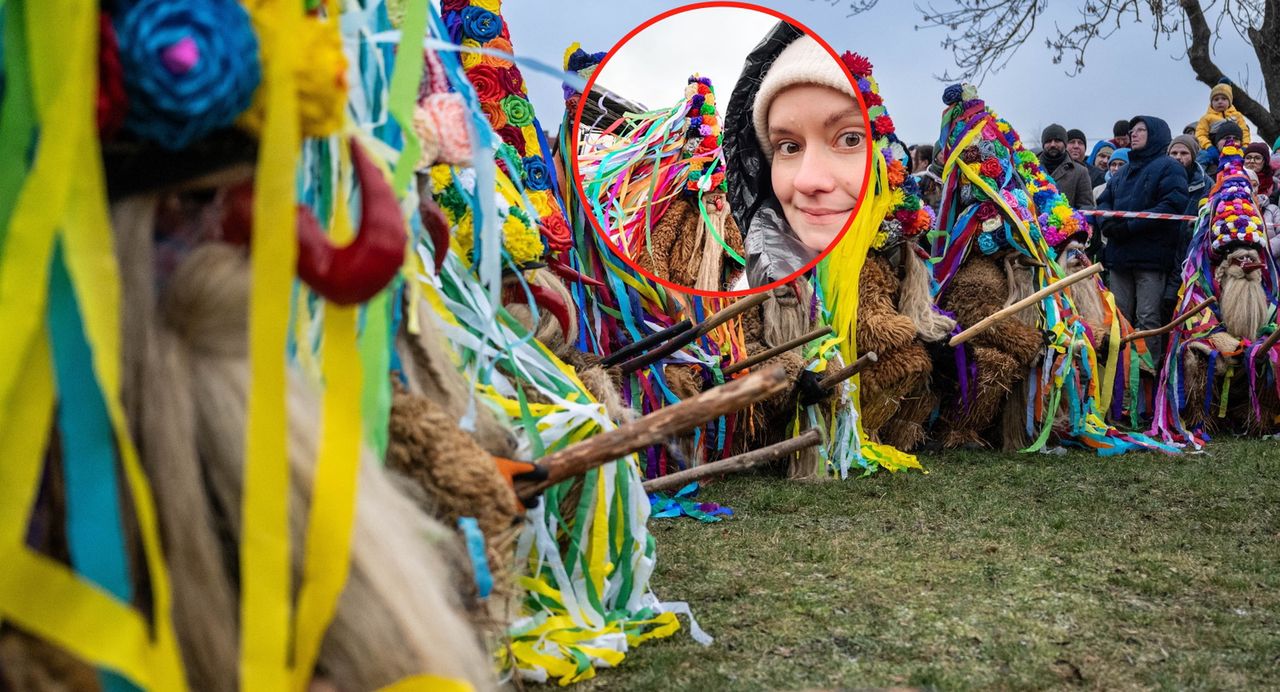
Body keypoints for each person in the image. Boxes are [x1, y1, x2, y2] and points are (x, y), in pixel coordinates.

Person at [725, 28, 867, 288]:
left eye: (850, 139)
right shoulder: (746, 310)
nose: (807, 180)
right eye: (789, 147)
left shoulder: (951, 277)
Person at [1097, 116, 1189, 365]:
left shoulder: (1170, 167)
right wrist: (1107, 223)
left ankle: (1146, 376)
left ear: (1156, 134)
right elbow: (1104, 201)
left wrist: (1129, 226)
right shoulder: (1123, 171)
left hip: (1151, 259)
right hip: (1119, 258)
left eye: (1141, 130)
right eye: (1132, 130)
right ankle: (1118, 374)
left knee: (1147, 317)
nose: (1133, 134)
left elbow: (1172, 205)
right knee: (1118, 316)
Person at [1039, 123, 1095, 209]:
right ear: (1043, 144)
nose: (1053, 144)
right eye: (1049, 141)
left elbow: (1086, 207)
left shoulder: (1080, 171)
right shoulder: (1030, 167)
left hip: (1067, 221)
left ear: (1065, 144)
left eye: (1057, 141)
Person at [1194, 80, 1251, 152]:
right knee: (1203, 157)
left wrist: (1245, 146)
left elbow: (1245, 132)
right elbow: (1200, 135)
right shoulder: (1206, 118)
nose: (1220, 102)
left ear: (1229, 102)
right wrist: (1209, 147)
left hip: (1236, 149)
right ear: (1211, 103)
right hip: (1213, 150)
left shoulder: (1237, 116)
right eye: (1216, 99)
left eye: (1224, 99)